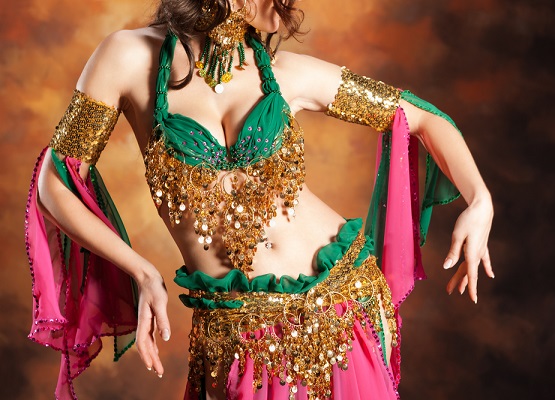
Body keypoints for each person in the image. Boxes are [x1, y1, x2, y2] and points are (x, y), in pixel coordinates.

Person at [25, 0, 494, 399]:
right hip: (238, 336)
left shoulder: (286, 73)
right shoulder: (127, 58)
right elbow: (55, 183)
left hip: (342, 310)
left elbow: (423, 119)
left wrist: (480, 201)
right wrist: (142, 271)